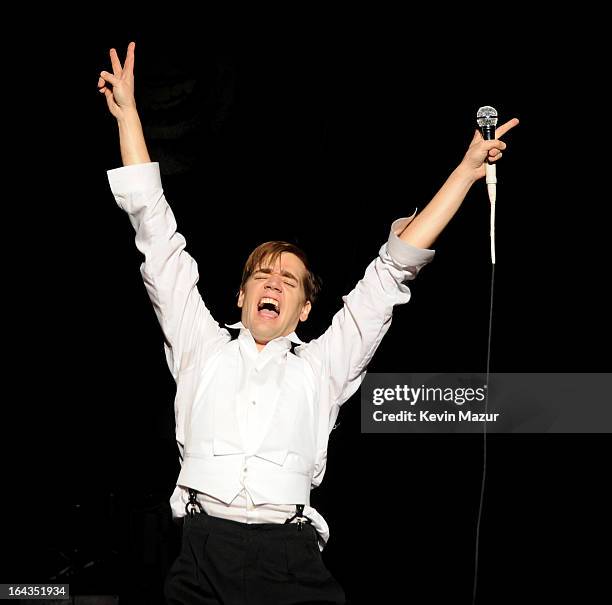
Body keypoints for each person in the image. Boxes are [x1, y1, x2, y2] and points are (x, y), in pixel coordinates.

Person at [98, 41, 518, 605]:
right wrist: (130, 117)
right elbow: (154, 231)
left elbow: (392, 272)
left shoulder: (321, 367)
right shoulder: (201, 345)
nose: (273, 283)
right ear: (242, 295)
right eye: (262, 275)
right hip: (199, 554)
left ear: (303, 310)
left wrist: (467, 174)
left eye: (289, 281)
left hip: (291, 562)